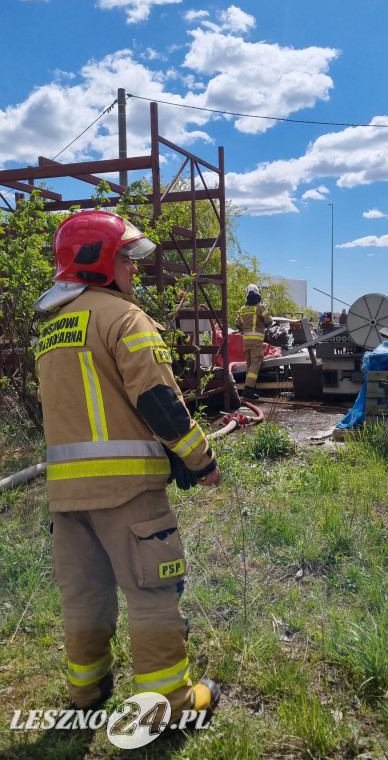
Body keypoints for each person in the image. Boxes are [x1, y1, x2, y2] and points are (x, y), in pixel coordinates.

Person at [34, 210, 220, 722]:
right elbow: (159, 400)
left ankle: (86, 690)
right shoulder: (123, 318)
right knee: (153, 592)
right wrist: (199, 458)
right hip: (128, 492)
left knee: (84, 596)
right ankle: (170, 706)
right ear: (97, 262)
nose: (134, 270)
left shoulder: (52, 329)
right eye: (125, 259)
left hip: (66, 498)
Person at [235, 284, 273, 401]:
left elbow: (237, 324)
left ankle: (252, 388)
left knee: (250, 366)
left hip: (246, 342)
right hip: (257, 343)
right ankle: (248, 389)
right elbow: (269, 322)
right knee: (255, 365)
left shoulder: (242, 309)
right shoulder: (260, 307)